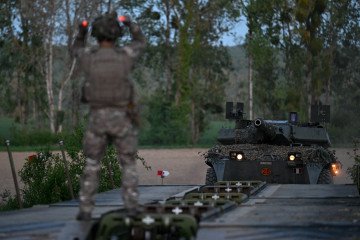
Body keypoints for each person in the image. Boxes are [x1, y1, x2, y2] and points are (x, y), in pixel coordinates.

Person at [71, 11, 146, 221]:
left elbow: (76, 48)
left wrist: (82, 31)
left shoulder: (89, 58)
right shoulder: (125, 56)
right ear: (116, 35)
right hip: (121, 117)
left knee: (92, 163)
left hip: (97, 118)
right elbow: (140, 42)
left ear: (97, 34)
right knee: (128, 163)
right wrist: (131, 24)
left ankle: (85, 209)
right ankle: (131, 205)